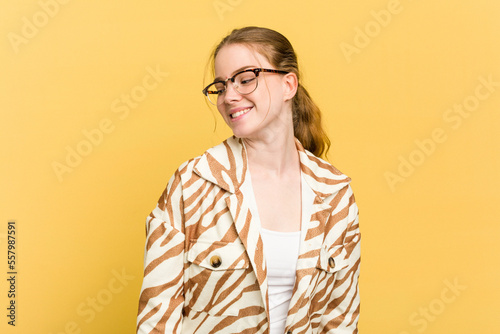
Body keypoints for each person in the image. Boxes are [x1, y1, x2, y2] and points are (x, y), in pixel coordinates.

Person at [136, 26, 361, 334]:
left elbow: (341, 321)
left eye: (245, 79)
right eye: (221, 86)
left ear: (288, 85)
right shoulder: (191, 184)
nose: (229, 96)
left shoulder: (335, 193)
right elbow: (157, 321)